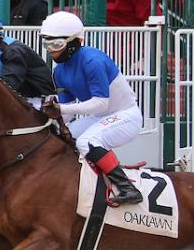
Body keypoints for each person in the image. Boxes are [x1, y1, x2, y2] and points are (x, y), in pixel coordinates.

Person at [39, 11, 143, 205]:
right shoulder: (58, 71)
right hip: (100, 117)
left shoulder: (93, 61)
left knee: (87, 141)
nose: (51, 51)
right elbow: (66, 110)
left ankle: (128, 188)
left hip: (126, 116)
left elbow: (101, 103)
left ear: (74, 43)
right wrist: (47, 121)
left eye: (56, 45)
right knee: (57, 136)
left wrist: (61, 109)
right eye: (47, 44)